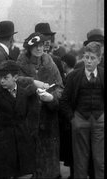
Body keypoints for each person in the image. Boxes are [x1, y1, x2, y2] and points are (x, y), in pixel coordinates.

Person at [17, 32, 63, 179]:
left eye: (41, 45)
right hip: (26, 119)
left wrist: (51, 98)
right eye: (35, 46)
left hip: (47, 122)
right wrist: (32, 83)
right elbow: (15, 85)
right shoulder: (19, 64)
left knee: (47, 167)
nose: (39, 49)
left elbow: (60, 88)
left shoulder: (51, 65)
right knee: (28, 165)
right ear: (28, 48)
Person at [0, 60, 39, 179]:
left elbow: (31, 115)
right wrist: (0, 133)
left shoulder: (24, 94)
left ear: (15, 77)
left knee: (25, 172)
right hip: (3, 141)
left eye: (5, 77)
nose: (1, 81)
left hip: (22, 139)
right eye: (0, 78)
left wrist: (27, 131)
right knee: (6, 173)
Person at [59, 41, 104, 179]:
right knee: (80, 163)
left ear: (99, 59)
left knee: (100, 161)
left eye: (92, 58)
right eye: (86, 57)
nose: (88, 61)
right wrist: (73, 119)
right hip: (80, 119)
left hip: (100, 121)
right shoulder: (74, 76)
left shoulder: (103, 74)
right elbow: (64, 100)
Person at [59, 54, 77, 179]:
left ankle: (73, 174)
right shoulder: (77, 75)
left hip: (70, 120)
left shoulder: (69, 78)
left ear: (64, 64)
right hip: (74, 118)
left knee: (72, 150)